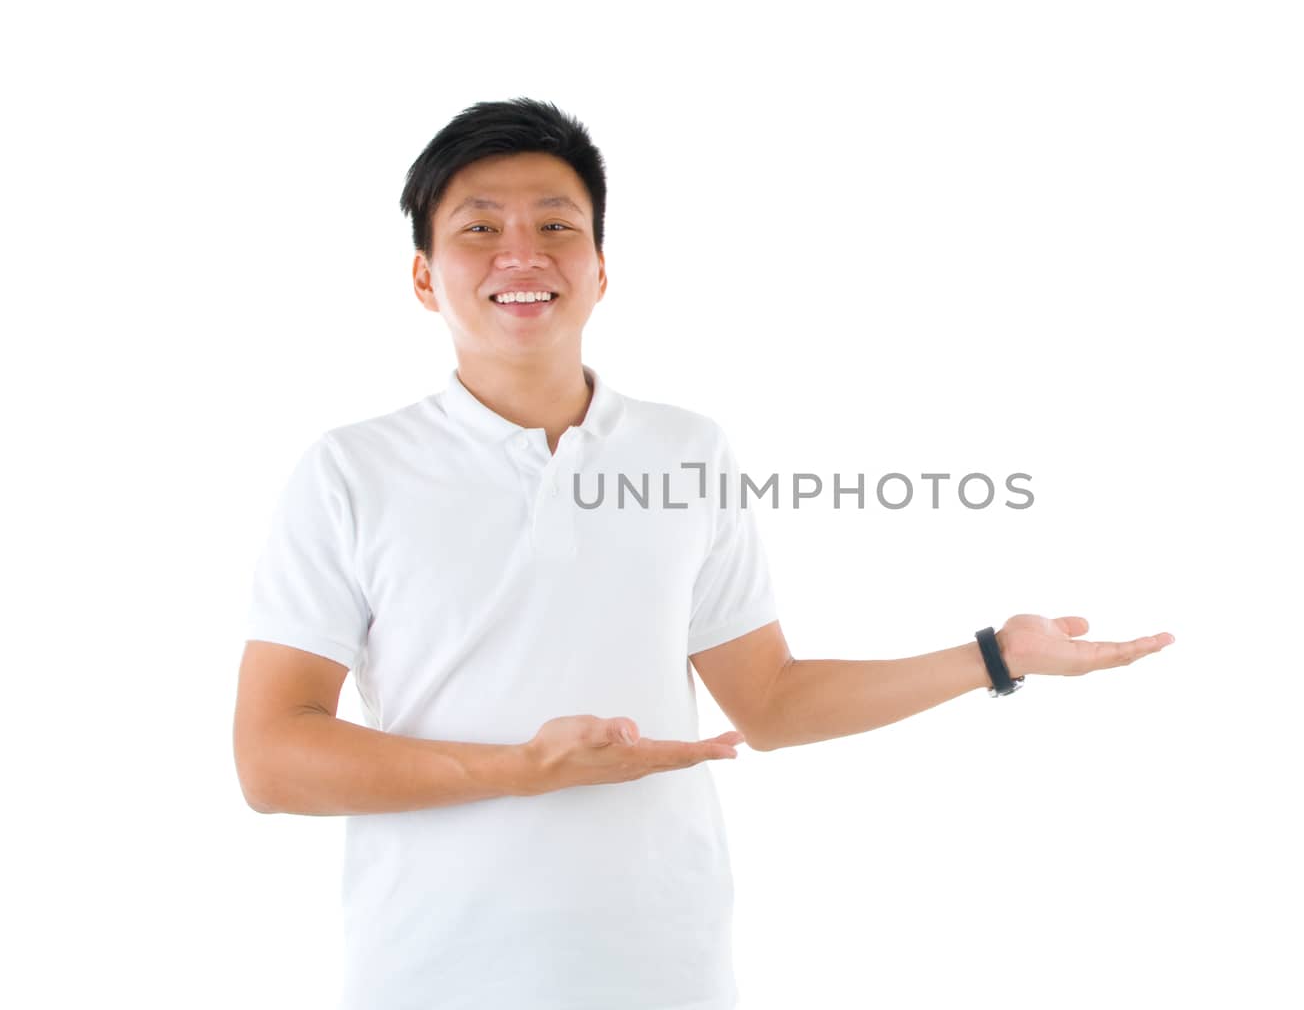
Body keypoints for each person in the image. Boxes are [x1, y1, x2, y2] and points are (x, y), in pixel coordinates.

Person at [231, 97, 1175, 1010]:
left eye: (557, 226)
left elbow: (768, 700)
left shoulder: (686, 451)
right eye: (479, 229)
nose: (522, 253)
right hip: (432, 979)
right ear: (424, 278)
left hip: (664, 975)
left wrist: (996, 655)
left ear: (600, 268)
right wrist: (523, 767)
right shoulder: (349, 472)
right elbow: (270, 757)